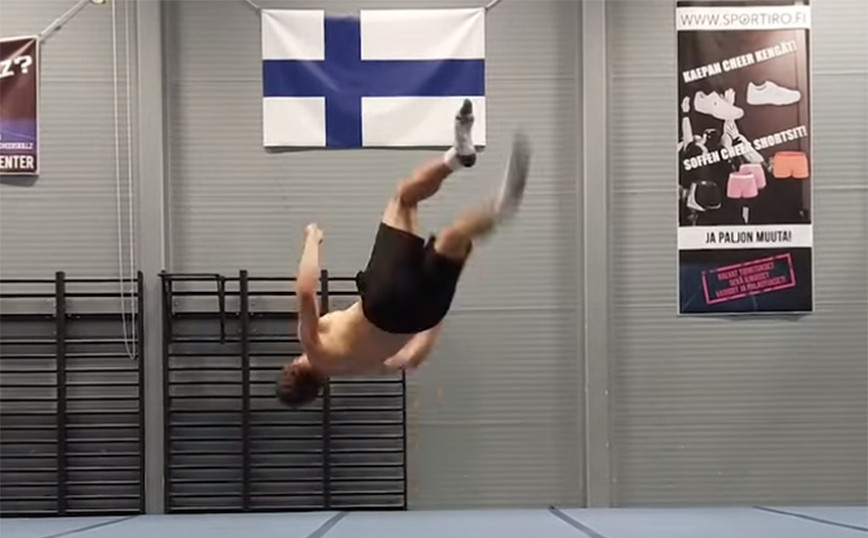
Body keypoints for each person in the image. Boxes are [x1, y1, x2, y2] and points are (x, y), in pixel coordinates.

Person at [277, 100, 531, 407]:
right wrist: (312, 240)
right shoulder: (314, 349)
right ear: (294, 366)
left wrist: (433, 322)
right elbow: (306, 293)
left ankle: (498, 209)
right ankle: (456, 156)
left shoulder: (362, 369)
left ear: (318, 388)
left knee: (455, 239)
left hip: (423, 315)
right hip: (382, 303)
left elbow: (411, 359)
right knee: (404, 200)